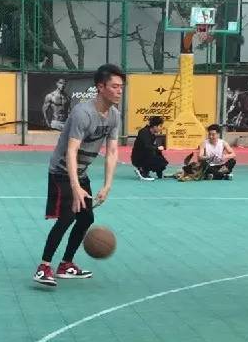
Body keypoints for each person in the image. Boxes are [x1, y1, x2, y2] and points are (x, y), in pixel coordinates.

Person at [33, 64, 123, 287]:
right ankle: (43, 267)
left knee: (86, 218)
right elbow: (71, 151)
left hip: (80, 172)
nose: (119, 91)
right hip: (62, 170)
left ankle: (66, 265)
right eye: (114, 86)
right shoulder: (83, 113)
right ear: (100, 87)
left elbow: (112, 152)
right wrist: (75, 187)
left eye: (121, 87)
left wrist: (107, 185)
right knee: (67, 217)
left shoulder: (114, 116)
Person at [131, 115, 168, 180]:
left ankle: (159, 173)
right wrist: (157, 148)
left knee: (162, 161)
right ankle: (143, 171)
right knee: (152, 154)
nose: (161, 128)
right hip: (138, 157)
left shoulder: (153, 135)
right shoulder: (144, 132)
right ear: (155, 126)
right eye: (160, 126)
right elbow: (146, 146)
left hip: (146, 155)